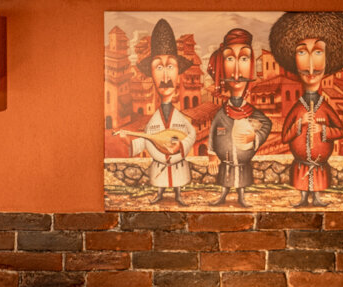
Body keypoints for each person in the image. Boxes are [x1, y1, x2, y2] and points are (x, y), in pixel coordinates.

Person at [269, 12, 343, 207]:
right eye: (302, 52)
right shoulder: (297, 108)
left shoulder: (325, 107)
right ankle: (302, 198)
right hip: (301, 162)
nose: (310, 66)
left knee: (317, 182)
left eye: (317, 52)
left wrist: (322, 130)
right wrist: (300, 124)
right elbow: (285, 136)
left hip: (319, 163)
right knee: (302, 181)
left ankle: (316, 198)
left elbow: (341, 131)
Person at [115, 19, 197, 206]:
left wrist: (181, 145)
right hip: (159, 165)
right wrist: (128, 142)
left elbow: (191, 134)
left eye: (170, 67)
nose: (166, 76)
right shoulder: (153, 120)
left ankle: (178, 195)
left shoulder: (180, 117)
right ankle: (159, 194)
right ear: (151, 74)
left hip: (178, 164)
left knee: (177, 179)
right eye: (159, 67)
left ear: (178, 72)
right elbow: (147, 139)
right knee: (160, 181)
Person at [207, 28, 271, 208]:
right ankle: (222, 196)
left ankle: (242, 198)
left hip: (243, 161)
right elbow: (212, 132)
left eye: (244, 59)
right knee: (225, 178)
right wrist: (212, 154)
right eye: (230, 59)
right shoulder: (222, 113)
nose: (236, 71)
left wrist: (255, 137)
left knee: (242, 179)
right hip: (225, 160)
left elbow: (266, 124)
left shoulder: (250, 111)